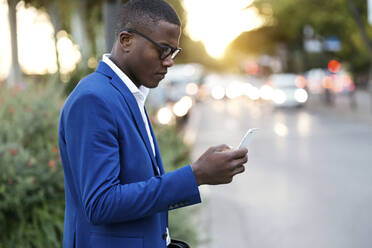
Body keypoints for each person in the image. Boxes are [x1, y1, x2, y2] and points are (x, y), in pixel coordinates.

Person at [58, 0, 248, 247]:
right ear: (126, 41)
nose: (169, 61)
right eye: (163, 50)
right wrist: (196, 175)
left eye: (173, 52)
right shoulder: (94, 99)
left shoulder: (128, 94)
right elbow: (101, 204)